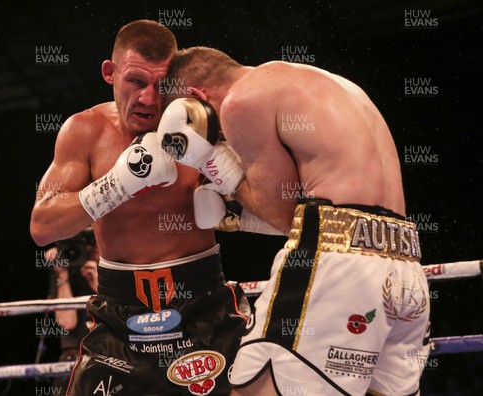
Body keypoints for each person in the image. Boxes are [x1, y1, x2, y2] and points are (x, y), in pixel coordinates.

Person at [156, 47, 431, 395]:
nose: (219, 138)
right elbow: (323, 213)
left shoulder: (241, 100)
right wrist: (237, 218)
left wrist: (214, 162)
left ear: (195, 100)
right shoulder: (326, 83)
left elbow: (283, 215)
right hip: (406, 270)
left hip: (338, 271)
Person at [30, 22, 249, 395]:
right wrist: (117, 185)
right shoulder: (85, 130)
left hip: (203, 307)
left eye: (162, 86)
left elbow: (279, 206)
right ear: (109, 73)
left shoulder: (205, 127)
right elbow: (42, 226)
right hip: (119, 316)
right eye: (135, 82)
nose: (148, 98)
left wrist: (234, 199)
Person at [45, 229, 99, 396]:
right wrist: (62, 276)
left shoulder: (113, 269)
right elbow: (67, 322)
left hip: (106, 353)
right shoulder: (64, 274)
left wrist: (97, 285)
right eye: (87, 246)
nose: (90, 250)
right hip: (73, 357)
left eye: (94, 244)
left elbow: (120, 317)